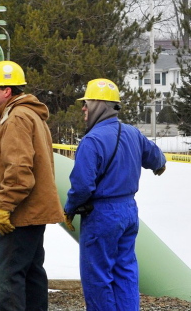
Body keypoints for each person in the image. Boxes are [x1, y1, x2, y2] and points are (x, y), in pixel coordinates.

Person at [63, 78, 166, 310]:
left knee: (98, 276)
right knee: (125, 272)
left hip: (102, 216)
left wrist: (69, 209)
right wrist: (160, 165)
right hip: (129, 212)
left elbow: (81, 187)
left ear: (99, 105)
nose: (83, 108)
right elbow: (157, 159)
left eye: (87, 103)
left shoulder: (92, 141)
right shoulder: (132, 133)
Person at [0, 61, 64, 311]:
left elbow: (18, 170)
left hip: (19, 214)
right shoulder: (29, 114)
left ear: (7, 91)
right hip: (31, 213)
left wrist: (5, 207)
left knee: (10, 276)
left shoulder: (16, 118)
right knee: (32, 273)